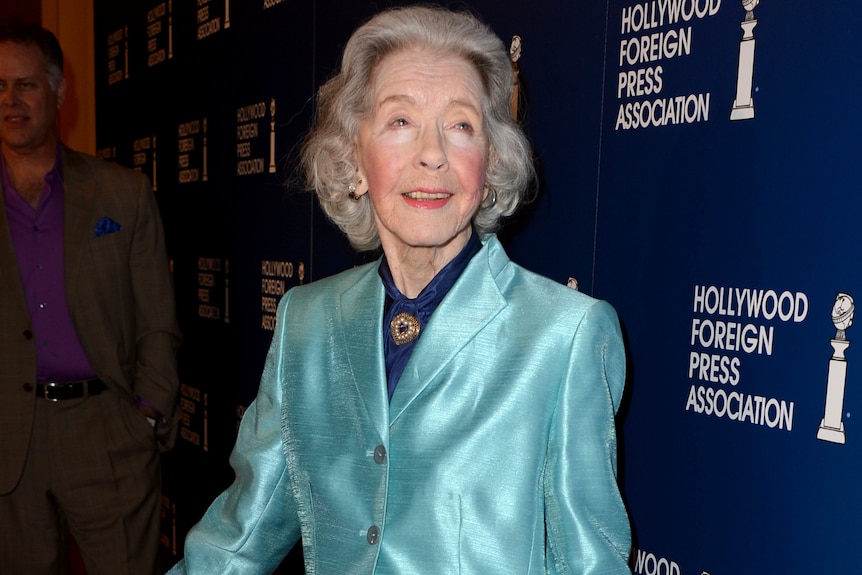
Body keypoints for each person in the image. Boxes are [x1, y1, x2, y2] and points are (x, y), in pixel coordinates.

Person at [169, 5, 630, 574]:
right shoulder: (305, 324)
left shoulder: (566, 337)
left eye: (461, 125)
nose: (432, 154)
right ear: (353, 159)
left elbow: (590, 565)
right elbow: (235, 543)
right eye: (400, 121)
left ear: (489, 165)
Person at [0, 22, 181, 575]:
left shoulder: (121, 192)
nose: (10, 100)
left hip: (108, 434)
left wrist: (145, 415)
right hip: (9, 440)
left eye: (26, 85)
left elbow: (157, 319)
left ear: (58, 94)